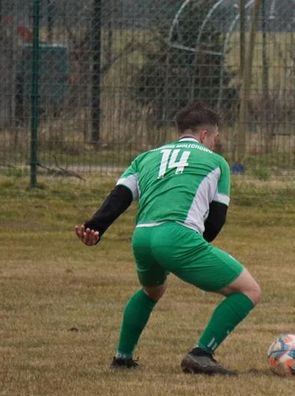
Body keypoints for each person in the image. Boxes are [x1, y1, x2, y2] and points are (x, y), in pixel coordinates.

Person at [75, 102, 261, 375]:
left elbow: (119, 197)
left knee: (152, 291)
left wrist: (95, 228)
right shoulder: (217, 162)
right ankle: (201, 354)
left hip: (142, 237)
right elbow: (216, 220)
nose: (215, 143)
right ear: (204, 135)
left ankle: (122, 357)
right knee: (249, 290)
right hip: (177, 237)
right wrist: (191, 251)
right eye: (215, 137)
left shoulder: (146, 158)